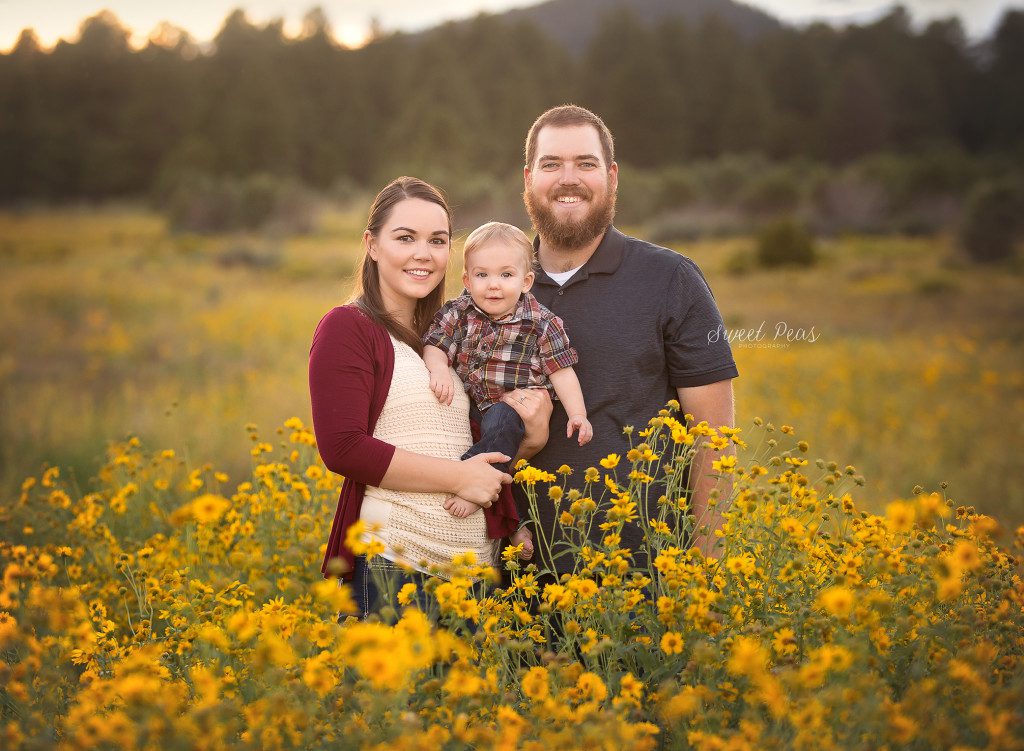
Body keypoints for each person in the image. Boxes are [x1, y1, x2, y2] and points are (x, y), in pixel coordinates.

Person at [308, 177, 550, 619]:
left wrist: (528, 444)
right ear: (372, 244)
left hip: (474, 578)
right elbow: (342, 447)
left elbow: (475, 452)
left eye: (437, 241)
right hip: (396, 571)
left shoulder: (451, 343)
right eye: (406, 238)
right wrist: (456, 479)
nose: (424, 253)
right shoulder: (348, 327)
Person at [517, 105, 739, 570]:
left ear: (612, 176)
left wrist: (707, 568)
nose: (568, 178)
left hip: (644, 576)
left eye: (586, 163)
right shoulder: (488, 286)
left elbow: (714, 439)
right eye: (551, 164)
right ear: (528, 178)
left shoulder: (671, 279)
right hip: (513, 577)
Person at [422, 221, 593, 523]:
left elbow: (561, 372)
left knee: (501, 425)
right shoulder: (458, 311)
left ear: (526, 281)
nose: (493, 284)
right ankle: (511, 526)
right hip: (469, 403)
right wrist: (438, 369)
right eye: (482, 275)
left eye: (506, 275)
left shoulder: (542, 322)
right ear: (467, 278)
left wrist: (577, 414)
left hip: (512, 409)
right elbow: (436, 343)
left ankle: (472, 482)